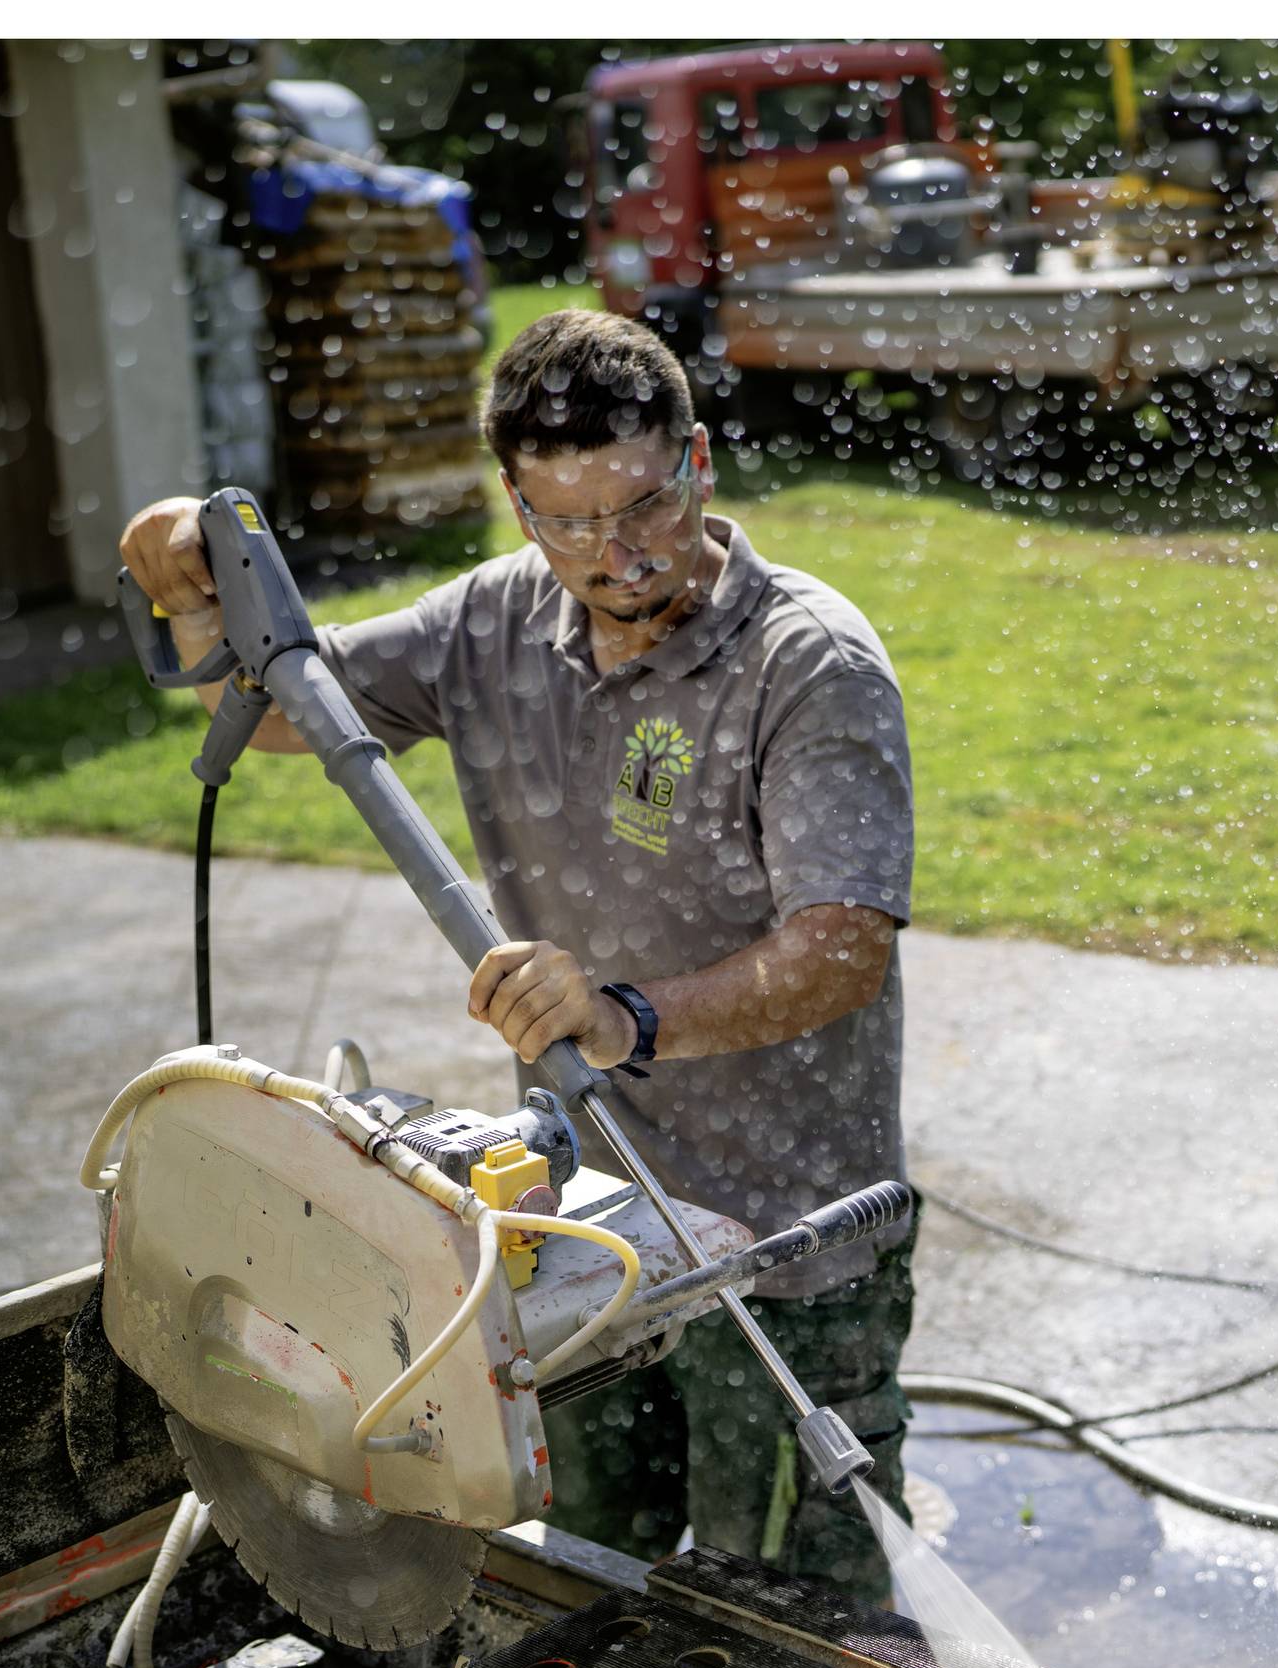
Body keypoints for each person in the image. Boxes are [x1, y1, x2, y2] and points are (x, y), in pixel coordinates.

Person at [116, 309, 919, 1599]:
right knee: (589, 1577)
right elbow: (273, 711)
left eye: (648, 506)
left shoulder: (803, 662)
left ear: (699, 463)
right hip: (584, 1232)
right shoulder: (494, 624)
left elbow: (840, 952)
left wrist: (624, 1019)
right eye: (570, 520)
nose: (617, 553)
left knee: (801, 1619)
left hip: (786, 1246)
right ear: (517, 505)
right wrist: (179, 561)